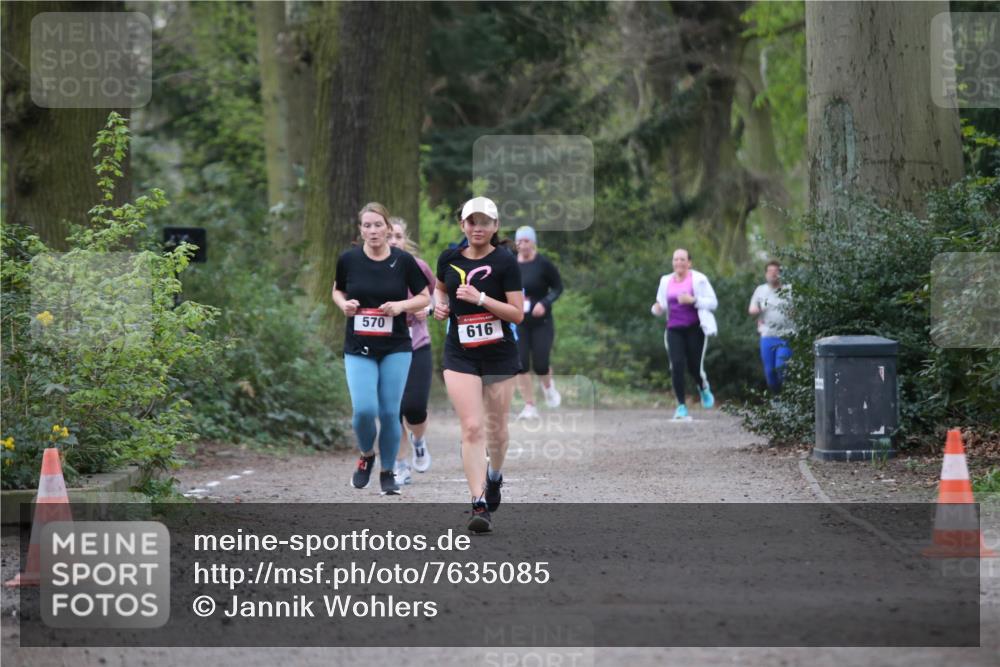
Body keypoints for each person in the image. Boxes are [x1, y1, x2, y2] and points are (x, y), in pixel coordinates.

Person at [434, 196, 523, 533]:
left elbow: (517, 313)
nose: (478, 227)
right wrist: (439, 306)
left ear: (495, 227)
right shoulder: (449, 258)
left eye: (485, 222)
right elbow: (439, 291)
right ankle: (479, 502)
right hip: (461, 353)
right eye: (472, 221)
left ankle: (495, 476)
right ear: (463, 225)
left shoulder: (506, 262)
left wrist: (482, 299)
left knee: (496, 430)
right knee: (472, 427)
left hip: (499, 352)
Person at [332, 203, 430, 495]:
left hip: (396, 346)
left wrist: (401, 305)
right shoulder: (349, 259)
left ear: (388, 228)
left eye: (378, 225)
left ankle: (388, 471)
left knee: (389, 413)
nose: (373, 231)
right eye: (367, 226)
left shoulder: (403, 261)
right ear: (360, 230)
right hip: (358, 344)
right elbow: (337, 289)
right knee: (363, 411)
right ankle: (366, 456)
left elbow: (424, 297)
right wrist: (344, 305)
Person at [387, 218, 436, 484]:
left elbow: (438, 294)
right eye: (389, 236)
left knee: (414, 407)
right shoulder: (370, 269)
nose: (393, 241)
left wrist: (426, 309)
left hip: (417, 343)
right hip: (385, 346)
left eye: (398, 236)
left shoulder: (419, 267)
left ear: (405, 239)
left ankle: (419, 440)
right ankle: (400, 464)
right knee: (392, 410)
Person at [651, 248, 718, 421]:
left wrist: (693, 300)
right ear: (672, 262)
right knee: (677, 365)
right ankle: (681, 405)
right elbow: (660, 304)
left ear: (689, 263)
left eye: (682, 259)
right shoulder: (665, 280)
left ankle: (703, 387)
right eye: (675, 259)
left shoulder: (699, 279)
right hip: (674, 329)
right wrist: (656, 309)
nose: (678, 263)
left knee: (694, 366)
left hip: (695, 328)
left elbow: (713, 303)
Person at [513, 225, 564, 419]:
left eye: (526, 241)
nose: (522, 245)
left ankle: (549, 387)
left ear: (533, 242)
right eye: (519, 241)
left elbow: (558, 287)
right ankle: (529, 405)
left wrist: (545, 302)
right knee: (521, 363)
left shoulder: (543, 264)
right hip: (519, 321)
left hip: (541, 321)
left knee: (541, 364)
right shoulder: (511, 265)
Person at [749, 260, 792, 392]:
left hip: (786, 335)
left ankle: (788, 398)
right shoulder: (761, 290)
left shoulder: (789, 290)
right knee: (770, 372)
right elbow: (751, 310)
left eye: (776, 271)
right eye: (770, 271)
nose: (773, 274)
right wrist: (759, 309)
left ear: (781, 274)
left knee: (781, 367)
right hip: (767, 336)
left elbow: (799, 310)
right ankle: (777, 399)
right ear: (766, 274)